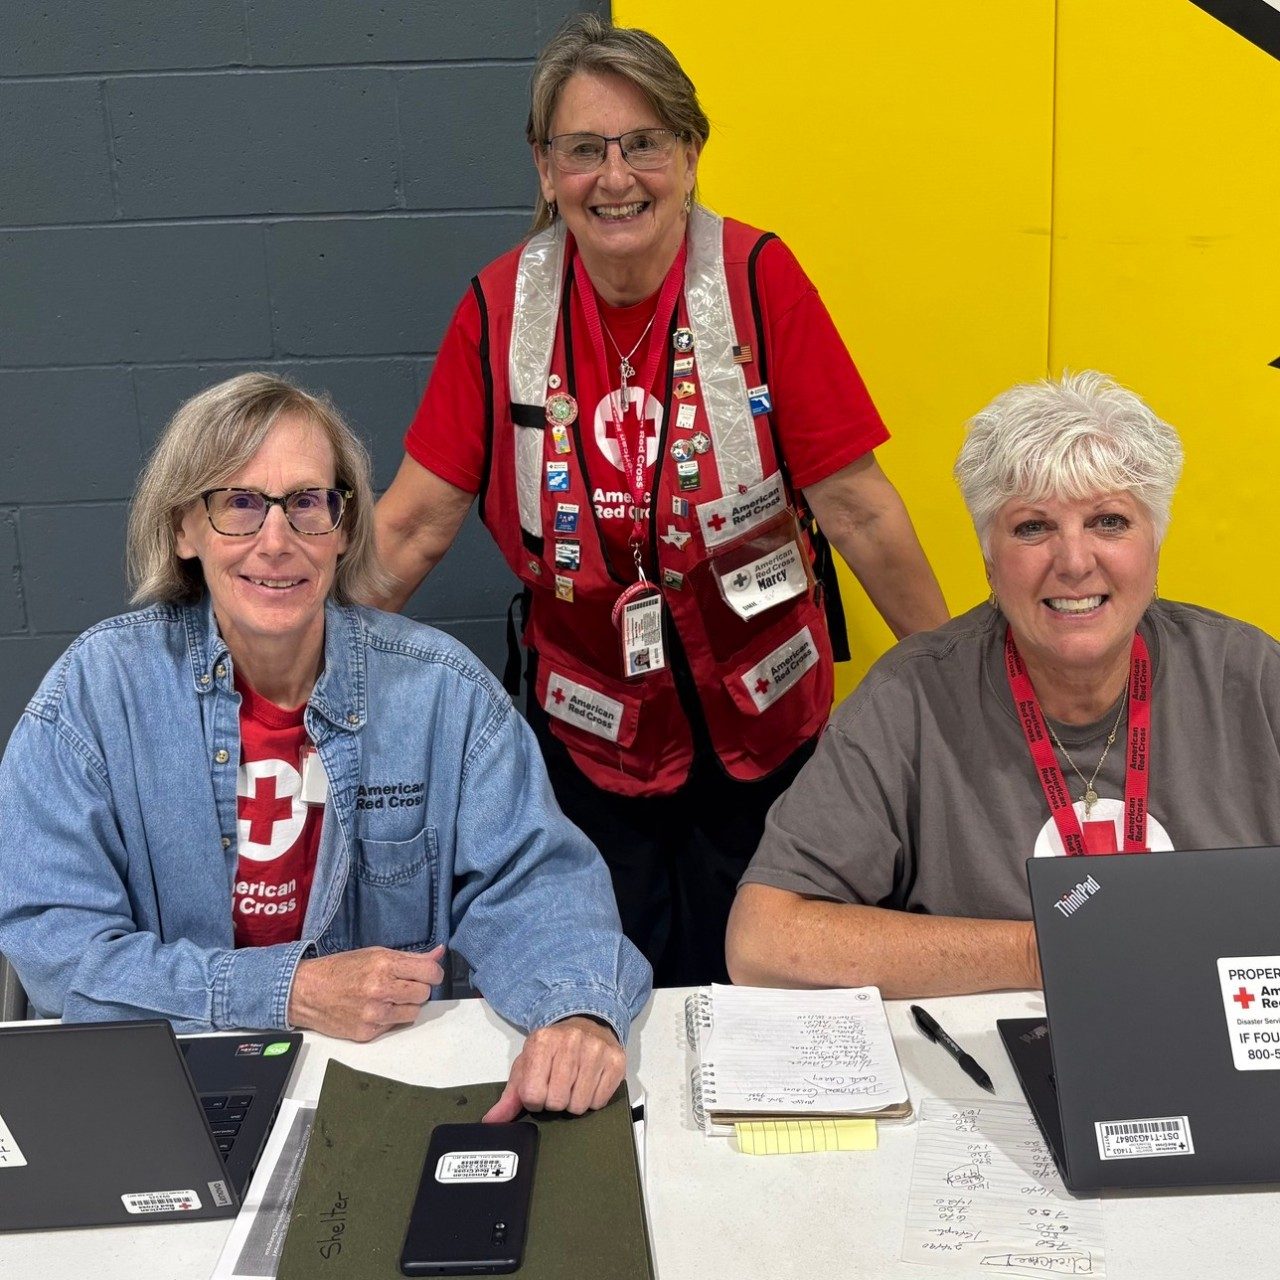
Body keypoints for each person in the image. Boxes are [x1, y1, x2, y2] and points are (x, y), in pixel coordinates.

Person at [372, 16, 948, 986]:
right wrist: (286, 671)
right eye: (583, 149)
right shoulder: (497, 306)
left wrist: (955, 683)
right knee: (613, 1002)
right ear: (543, 166)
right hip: (592, 742)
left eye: (643, 143)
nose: (615, 176)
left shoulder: (760, 279)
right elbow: (411, 526)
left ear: (688, 151)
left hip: (769, 728)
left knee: (770, 1000)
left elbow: (858, 507)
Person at [0, 373, 651, 1123]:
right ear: (184, 528)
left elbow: (537, 887)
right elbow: (57, 944)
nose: (276, 542)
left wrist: (575, 1011)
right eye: (238, 504)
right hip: (167, 1087)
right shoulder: (96, 693)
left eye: (307, 503)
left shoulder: (444, 695)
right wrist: (288, 993)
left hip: (389, 1086)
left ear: (342, 529)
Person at [727, 371, 1280, 997]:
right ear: (989, 558)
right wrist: (1043, 953)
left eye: (1108, 521)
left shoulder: (1253, 678)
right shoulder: (913, 699)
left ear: (1156, 544)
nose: (1074, 562)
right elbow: (764, 940)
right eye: (1032, 528)